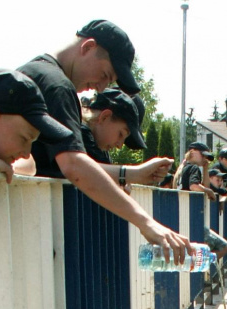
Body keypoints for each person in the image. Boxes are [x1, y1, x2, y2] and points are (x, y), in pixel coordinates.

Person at [18, 20, 191, 263]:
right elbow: (75, 166)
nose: (100, 87)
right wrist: (146, 222)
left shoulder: (31, 72)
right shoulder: (57, 86)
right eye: (104, 75)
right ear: (88, 47)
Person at [79, 88, 146, 163]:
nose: (120, 146)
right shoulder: (79, 136)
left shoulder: (100, 150)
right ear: (105, 117)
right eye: (120, 134)